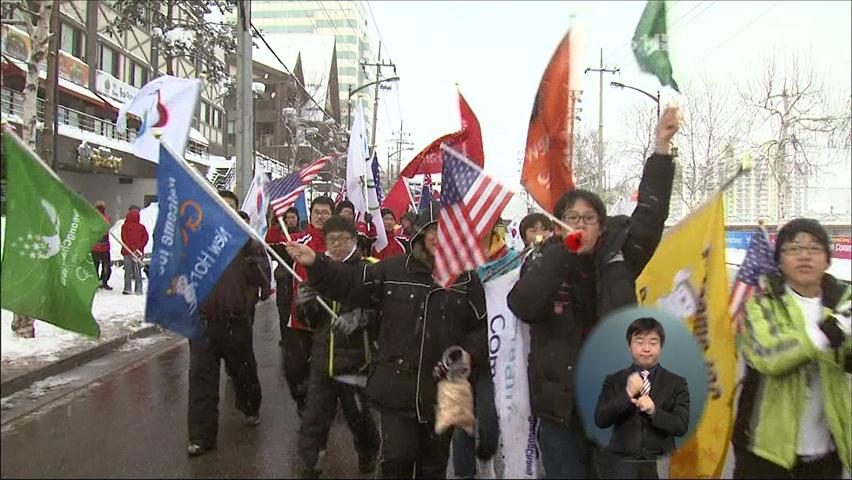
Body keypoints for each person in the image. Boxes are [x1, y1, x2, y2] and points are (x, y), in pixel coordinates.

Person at [507, 105, 680, 479]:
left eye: (589, 219)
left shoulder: (619, 255)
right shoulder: (547, 260)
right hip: (560, 411)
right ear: (558, 225)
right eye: (573, 219)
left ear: (602, 225)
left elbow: (651, 216)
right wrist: (559, 253)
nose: (581, 226)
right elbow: (522, 303)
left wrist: (661, 150)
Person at [285, 201, 487, 478]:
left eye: (447, 231)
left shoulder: (468, 281)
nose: (439, 237)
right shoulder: (392, 269)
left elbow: (479, 329)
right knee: (396, 462)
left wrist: (469, 354)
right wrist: (316, 263)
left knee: (433, 467)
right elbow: (352, 282)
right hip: (397, 386)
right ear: (420, 233)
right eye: (433, 230)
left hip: (443, 390)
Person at [733, 218, 851, 479]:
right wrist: (830, 332)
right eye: (794, 249)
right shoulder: (761, 304)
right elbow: (771, 356)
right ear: (780, 260)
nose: (804, 256)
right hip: (764, 453)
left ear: (828, 259)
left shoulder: (843, 303)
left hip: (825, 455)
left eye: (814, 249)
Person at [186, 190, 271, 457]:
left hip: (236, 322)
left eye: (230, 207)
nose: (225, 210)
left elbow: (264, 280)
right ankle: (201, 436)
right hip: (202, 323)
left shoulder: (249, 241)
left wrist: (250, 257)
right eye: (220, 205)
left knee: (243, 374)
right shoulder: (198, 240)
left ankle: (250, 406)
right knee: (201, 381)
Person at [296, 215, 380, 478]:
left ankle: (368, 453)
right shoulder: (319, 272)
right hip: (323, 359)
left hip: (356, 360)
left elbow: (381, 309)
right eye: (331, 240)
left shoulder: (369, 268)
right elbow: (310, 321)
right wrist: (305, 303)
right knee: (314, 418)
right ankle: (312, 462)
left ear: (354, 240)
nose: (336, 245)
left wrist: (359, 318)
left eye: (342, 239)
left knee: (359, 417)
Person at [594, 317, 690, 479]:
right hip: (622, 462)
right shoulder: (614, 380)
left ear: (661, 346)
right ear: (629, 347)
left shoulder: (676, 383)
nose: (646, 349)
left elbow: (680, 426)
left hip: (658, 460)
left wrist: (654, 412)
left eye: (653, 343)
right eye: (639, 342)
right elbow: (601, 419)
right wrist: (626, 395)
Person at [275, 196, 334, 416]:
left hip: (328, 318)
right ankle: (303, 402)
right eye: (316, 211)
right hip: (299, 318)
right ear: (310, 214)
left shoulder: (337, 243)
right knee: (295, 369)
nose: (320, 216)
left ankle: (319, 412)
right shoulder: (299, 239)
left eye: (325, 212)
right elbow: (274, 243)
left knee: (325, 373)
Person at [266, 207, 301, 346]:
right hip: (284, 277)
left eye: (293, 217)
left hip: (298, 277)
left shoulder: (303, 234)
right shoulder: (281, 236)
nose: (291, 220)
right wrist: (274, 227)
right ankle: (285, 337)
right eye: (288, 218)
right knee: (284, 308)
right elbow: (271, 248)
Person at [120, 206, 148, 295]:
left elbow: (124, 238)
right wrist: (139, 247)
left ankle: (127, 288)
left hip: (127, 251)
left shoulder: (125, 226)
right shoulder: (142, 227)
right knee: (137, 271)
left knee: (128, 271)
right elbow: (145, 238)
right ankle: (138, 289)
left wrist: (130, 247)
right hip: (138, 253)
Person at [92, 200, 113, 290]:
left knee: (105, 266)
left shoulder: (104, 218)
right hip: (97, 247)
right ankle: (98, 282)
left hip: (102, 247)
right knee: (98, 267)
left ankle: (103, 281)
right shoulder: (93, 218)